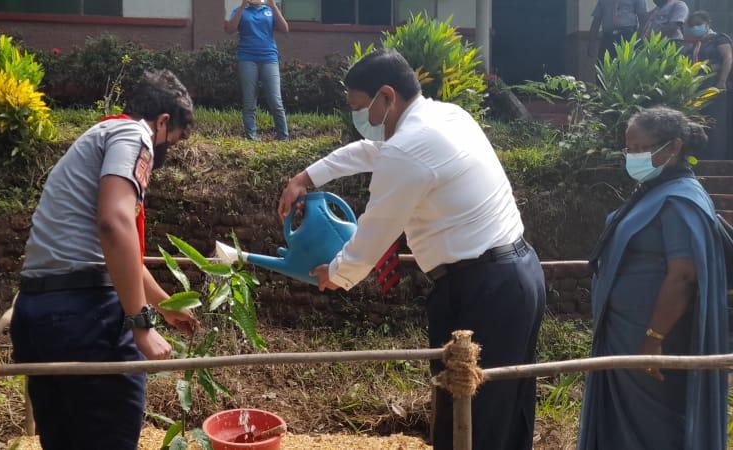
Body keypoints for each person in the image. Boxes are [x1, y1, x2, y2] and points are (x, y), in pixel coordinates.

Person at [277, 49, 546, 450]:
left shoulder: (409, 148)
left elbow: (376, 229)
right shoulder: (445, 116)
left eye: (360, 108)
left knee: (476, 420)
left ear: (387, 97)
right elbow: (372, 153)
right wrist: (307, 176)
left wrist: (336, 273)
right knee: (505, 410)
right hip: (515, 275)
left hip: (486, 289)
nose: (360, 120)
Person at [10, 70, 200, 449]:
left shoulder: (99, 137)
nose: (167, 151)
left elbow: (117, 253)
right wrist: (141, 324)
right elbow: (114, 225)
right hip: (86, 317)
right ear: (163, 122)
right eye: (173, 141)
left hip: (39, 313)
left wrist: (165, 306)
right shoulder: (135, 136)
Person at [579, 107, 728, 450]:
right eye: (628, 149)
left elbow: (684, 276)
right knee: (624, 428)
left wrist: (652, 339)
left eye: (640, 148)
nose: (632, 156)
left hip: (652, 342)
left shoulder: (681, 201)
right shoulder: (652, 189)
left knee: (654, 430)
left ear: (673, 147)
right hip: (622, 334)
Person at [225, 0, 290, 141]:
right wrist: (243, 5)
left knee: (275, 100)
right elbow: (229, 29)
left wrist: (273, 5)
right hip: (247, 59)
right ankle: (252, 138)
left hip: (269, 58)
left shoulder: (269, 9)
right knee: (249, 101)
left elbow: (285, 29)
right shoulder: (239, 10)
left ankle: (283, 138)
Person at [682, 10, 732, 160]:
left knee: (716, 123)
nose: (695, 27)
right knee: (700, 123)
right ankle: (702, 157)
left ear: (708, 24)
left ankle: (717, 159)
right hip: (697, 90)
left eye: (699, 24)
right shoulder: (693, 45)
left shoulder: (719, 39)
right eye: (692, 25)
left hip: (715, 87)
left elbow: (728, 58)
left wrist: (721, 82)